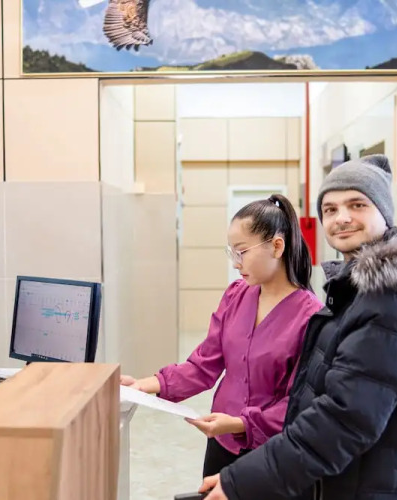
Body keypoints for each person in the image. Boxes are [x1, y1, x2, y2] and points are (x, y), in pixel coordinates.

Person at [200, 154, 397, 500]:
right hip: (351, 479)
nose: (342, 218)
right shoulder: (358, 292)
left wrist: (242, 480)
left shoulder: (390, 299)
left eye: (357, 204)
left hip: (373, 487)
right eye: (330, 209)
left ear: (383, 211)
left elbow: (343, 419)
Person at [121, 194, 324, 477]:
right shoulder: (236, 296)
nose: (235, 263)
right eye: (231, 253)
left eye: (242, 252)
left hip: (271, 451)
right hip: (222, 440)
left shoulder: (311, 316)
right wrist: (142, 385)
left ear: (277, 246)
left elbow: (299, 401)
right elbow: (203, 365)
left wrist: (241, 424)